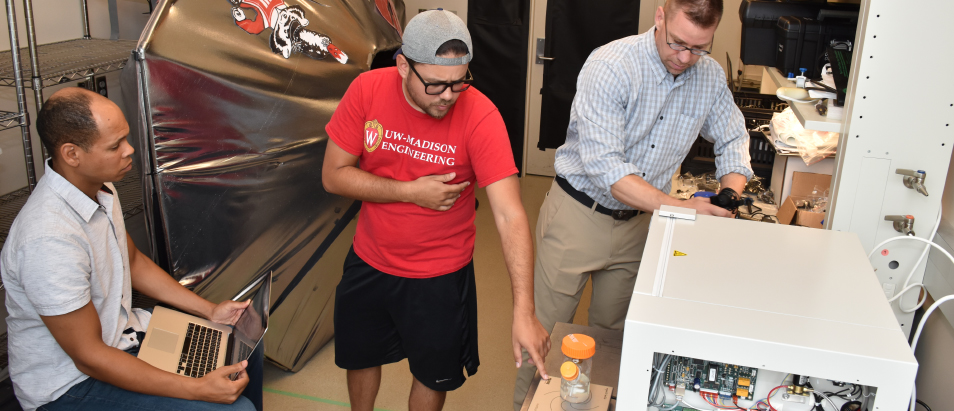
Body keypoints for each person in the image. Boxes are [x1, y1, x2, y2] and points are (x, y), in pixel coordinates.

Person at [513, 0, 754, 408]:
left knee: (613, 341)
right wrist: (680, 207)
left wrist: (731, 193)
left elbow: (733, 138)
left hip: (640, 225)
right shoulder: (611, 65)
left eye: (699, 48)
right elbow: (607, 168)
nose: (685, 58)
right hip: (577, 216)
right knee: (546, 338)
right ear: (660, 16)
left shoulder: (708, 77)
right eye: (678, 43)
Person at [322, 9, 551, 411]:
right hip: (369, 260)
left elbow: (510, 215)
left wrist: (524, 311)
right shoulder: (366, 90)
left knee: (432, 374)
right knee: (360, 355)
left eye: (458, 82)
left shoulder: (481, 115)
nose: (448, 95)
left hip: (440, 277)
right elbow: (334, 176)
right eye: (435, 84)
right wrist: (409, 192)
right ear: (402, 66)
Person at [0, 88, 264, 411]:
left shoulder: (99, 187)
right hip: (71, 384)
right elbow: (90, 358)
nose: (130, 150)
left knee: (242, 343)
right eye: (115, 146)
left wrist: (209, 311)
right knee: (235, 409)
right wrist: (196, 390)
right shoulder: (48, 239)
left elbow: (133, 262)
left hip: (121, 334)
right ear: (72, 154)